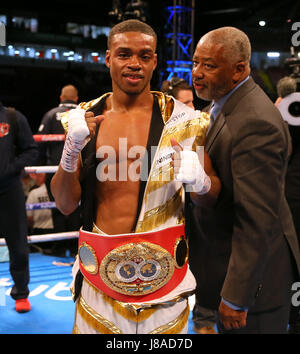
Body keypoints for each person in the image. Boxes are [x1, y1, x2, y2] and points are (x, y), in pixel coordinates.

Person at [51, 19, 220, 334]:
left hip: (167, 284)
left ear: (155, 61)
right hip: (98, 282)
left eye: (144, 56)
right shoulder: (86, 120)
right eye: (124, 54)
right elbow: (63, 204)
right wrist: (71, 149)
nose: (134, 64)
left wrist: (202, 182)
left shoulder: (185, 122)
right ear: (108, 58)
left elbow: (211, 199)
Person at [188, 26, 300, 334]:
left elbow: (257, 219)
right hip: (232, 269)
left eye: (209, 65)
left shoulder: (255, 121)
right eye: (195, 62)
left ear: (239, 69)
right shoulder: (222, 104)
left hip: (257, 289)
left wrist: (237, 297)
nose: (196, 73)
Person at [162, 76, 217, 334]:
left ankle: (204, 318)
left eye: (193, 102)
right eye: (185, 104)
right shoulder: (155, 138)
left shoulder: (202, 130)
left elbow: (212, 184)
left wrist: (200, 181)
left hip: (201, 220)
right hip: (166, 229)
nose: (193, 110)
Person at [0, 102, 39, 313]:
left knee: (18, 246)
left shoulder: (12, 117)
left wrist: (11, 169)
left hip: (8, 190)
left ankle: (21, 293)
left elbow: (31, 150)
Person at [38, 84, 81, 251]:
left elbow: (40, 143)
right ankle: (75, 246)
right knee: (78, 208)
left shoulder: (51, 114)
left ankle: (60, 248)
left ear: (61, 98)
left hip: (56, 169)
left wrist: (40, 166)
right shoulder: (84, 113)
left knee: (58, 205)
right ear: (76, 98)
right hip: (79, 168)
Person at [276, 77, 300, 333]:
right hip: (292, 194)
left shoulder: (284, 110)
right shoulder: (286, 112)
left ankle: (294, 317)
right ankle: (294, 317)